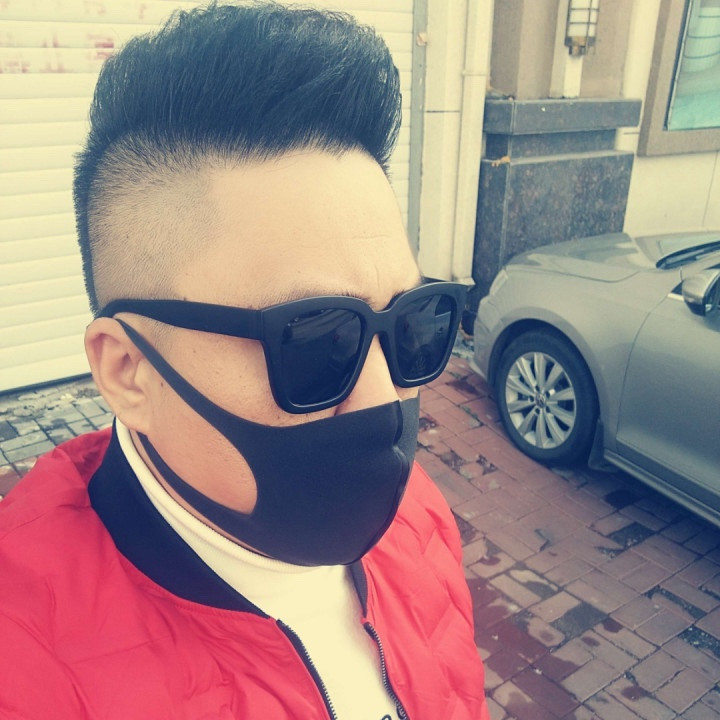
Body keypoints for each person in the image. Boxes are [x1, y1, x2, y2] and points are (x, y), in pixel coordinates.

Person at [0, 3, 489, 718]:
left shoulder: (415, 513)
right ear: (128, 371)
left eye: (414, 323)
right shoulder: (23, 673)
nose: (386, 397)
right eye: (317, 339)